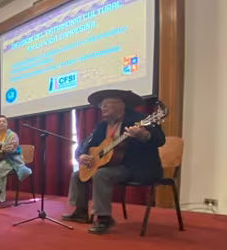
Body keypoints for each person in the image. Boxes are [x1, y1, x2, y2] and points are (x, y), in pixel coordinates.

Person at [63, 89, 165, 234]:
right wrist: (81, 155)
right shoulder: (101, 126)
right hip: (111, 166)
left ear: (121, 104)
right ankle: (81, 212)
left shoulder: (141, 119)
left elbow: (160, 140)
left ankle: (104, 218)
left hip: (136, 167)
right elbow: (84, 145)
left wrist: (144, 135)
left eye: (107, 103)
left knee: (101, 175)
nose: (103, 107)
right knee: (77, 175)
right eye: (101, 105)